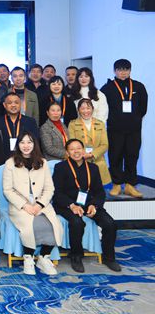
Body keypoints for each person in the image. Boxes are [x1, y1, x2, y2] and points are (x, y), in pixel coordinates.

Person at [53, 139, 121, 273]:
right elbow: (57, 192)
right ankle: (76, 256)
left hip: (89, 204)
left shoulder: (93, 168)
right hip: (67, 205)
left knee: (110, 224)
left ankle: (109, 258)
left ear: (83, 150)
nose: (76, 151)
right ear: (67, 152)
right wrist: (72, 205)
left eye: (79, 148)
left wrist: (94, 205)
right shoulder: (61, 167)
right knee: (77, 223)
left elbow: (100, 192)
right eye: (72, 149)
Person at [2, 131, 63, 275]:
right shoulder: (10, 163)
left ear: (34, 144)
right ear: (18, 145)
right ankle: (28, 258)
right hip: (20, 206)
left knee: (54, 225)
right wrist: (25, 206)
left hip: (41, 204)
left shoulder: (43, 163)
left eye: (29, 142)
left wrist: (39, 204)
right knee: (30, 225)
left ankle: (43, 257)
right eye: (22, 142)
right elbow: (7, 190)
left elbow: (49, 188)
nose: (26, 146)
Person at [101, 59, 148, 198]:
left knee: (132, 156)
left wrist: (134, 119)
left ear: (130, 71)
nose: (123, 72)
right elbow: (102, 108)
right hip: (115, 130)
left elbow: (143, 108)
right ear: (115, 71)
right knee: (115, 156)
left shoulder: (139, 86)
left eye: (126, 69)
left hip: (134, 130)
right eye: (120, 70)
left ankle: (129, 185)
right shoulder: (107, 88)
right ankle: (116, 184)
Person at [68, 99, 112, 185]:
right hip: (80, 161)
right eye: (82, 108)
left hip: (98, 160)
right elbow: (72, 145)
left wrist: (92, 154)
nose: (86, 111)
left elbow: (105, 145)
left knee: (99, 189)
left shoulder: (100, 124)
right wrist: (82, 154)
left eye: (88, 108)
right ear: (78, 110)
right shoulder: (72, 124)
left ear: (92, 109)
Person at [0, 92, 40, 159]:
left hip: (26, 158)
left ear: (21, 104)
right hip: (3, 159)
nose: (13, 105)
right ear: (4, 105)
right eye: (10, 103)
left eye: (16, 102)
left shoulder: (30, 122)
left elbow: (35, 142)